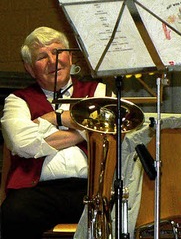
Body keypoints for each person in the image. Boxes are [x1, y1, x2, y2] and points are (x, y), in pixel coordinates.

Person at [1, 27, 109, 239]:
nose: (53, 61)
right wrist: (75, 126)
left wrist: (43, 124)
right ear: (30, 69)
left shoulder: (97, 91)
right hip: (37, 192)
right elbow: (21, 143)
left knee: (117, 213)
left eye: (58, 52)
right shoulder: (17, 100)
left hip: (89, 190)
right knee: (13, 214)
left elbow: (108, 132)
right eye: (42, 56)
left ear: (70, 57)